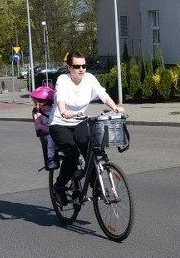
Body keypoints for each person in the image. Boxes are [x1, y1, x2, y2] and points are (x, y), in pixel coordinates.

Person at [49, 52, 124, 206]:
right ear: (69, 67)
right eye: (77, 66)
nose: (81, 69)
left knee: (90, 151)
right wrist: (63, 111)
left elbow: (102, 94)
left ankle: (96, 186)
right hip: (59, 123)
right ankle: (59, 186)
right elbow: (60, 97)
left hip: (79, 121)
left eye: (84, 65)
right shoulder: (63, 80)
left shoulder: (89, 78)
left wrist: (115, 107)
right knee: (73, 154)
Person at [30, 85, 59, 171]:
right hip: (48, 133)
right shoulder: (38, 113)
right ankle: (51, 159)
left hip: (57, 131)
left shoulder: (55, 109)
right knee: (51, 139)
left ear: (44, 103)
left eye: (38, 102)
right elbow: (38, 126)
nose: (36, 105)